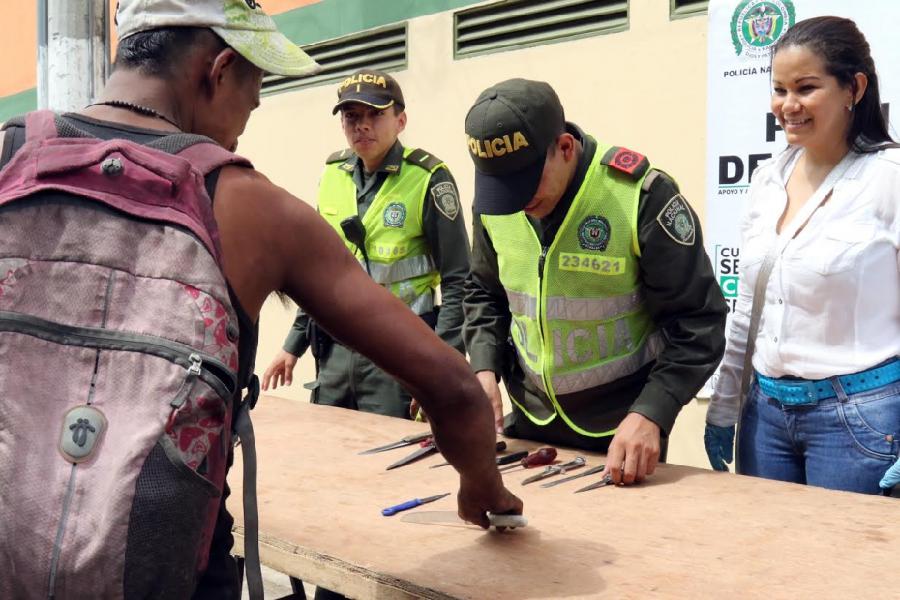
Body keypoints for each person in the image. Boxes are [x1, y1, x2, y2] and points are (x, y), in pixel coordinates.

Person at [0, 1, 521, 598]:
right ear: (219, 70)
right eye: (255, 88)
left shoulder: (11, 156)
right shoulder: (250, 207)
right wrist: (483, 488)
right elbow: (454, 389)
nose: (252, 111)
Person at [463, 78, 727, 486]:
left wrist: (653, 411)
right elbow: (484, 291)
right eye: (502, 188)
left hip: (623, 430)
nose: (517, 202)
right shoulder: (498, 201)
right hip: (531, 420)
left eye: (525, 182)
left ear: (565, 148)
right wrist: (483, 368)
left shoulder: (639, 196)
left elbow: (698, 323)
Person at [704, 16, 900, 496]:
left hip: (860, 423)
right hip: (764, 417)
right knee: (766, 544)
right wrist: (725, 404)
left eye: (806, 88)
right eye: (779, 89)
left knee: (846, 548)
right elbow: (747, 309)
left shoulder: (889, 178)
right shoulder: (767, 179)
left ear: (854, 88)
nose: (788, 105)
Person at [261, 69, 470, 421]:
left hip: (401, 353)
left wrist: (443, 366)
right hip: (336, 353)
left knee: (393, 447)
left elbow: (458, 280)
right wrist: (293, 344)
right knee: (331, 445)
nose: (362, 125)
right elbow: (317, 270)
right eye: (352, 116)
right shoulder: (333, 174)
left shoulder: (428, 179)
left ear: (400, 121)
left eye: (375, 114)